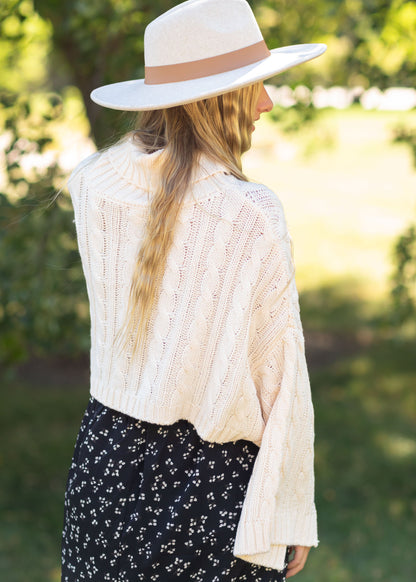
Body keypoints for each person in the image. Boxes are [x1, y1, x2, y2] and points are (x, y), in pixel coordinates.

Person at [61, 0, 326, 580]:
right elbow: (279, 378)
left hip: (106, 467)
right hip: (210, 491)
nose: (266, 103)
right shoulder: (249, 214)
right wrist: (287, 507)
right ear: (216, 98)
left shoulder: (93, 186)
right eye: (254, 86)